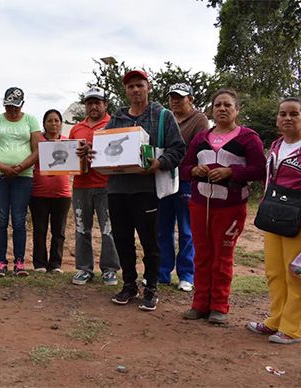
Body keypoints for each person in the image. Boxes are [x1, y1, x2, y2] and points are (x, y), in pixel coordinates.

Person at [180, 88, 266, 323]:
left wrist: (232, 171)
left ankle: (219, 305)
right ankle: (199, 304)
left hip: (230, 208)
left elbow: (260, 170)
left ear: (237, 110)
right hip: (199, 205)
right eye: (218, 105)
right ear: (211, 109)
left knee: (223, 256)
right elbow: (184, 168)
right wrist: (195, 170)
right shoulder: (200, 138)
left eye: (227, 105)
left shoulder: (248, 137)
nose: (222, 109)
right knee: (202, 255)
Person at [106, 70, 186, 311]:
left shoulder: (163, 116)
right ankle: (129, 284)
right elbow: (103, 146)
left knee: (150, 240)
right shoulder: (117, 118)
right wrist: (89, 152)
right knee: (121, 239)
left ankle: (151, 286)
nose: (135, 90)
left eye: (140, 85)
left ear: (148, 87)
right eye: (130, 86)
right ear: (126, 91)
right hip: (117, 188)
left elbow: (178, 149)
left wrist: (159, 163)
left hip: (147, 189)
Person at [247, 97, 301, 344]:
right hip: (275, 218)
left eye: (294, 114)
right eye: (283, 114)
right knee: (275, 273)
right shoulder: (276, 146)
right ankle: (275, 321)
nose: (287, 118)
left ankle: (293, 328)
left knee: (296, 275)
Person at [0, 87, 41, 277]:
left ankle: (19, 262)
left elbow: (37, 150)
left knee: (18, 219)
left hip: (23, 176)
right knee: (0, 218)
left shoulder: (31, 120)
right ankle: (1, 262)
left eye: (15, 107)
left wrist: (20, 167)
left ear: (22, 104)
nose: (12, 110)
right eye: (8, 106)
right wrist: (3, 167)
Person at [158, 83, 210, 291]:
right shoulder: (166, 118)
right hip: (164, 176)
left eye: (180, 97)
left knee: (187, 229)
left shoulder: (199, 119)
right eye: (172, 97)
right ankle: (162, 273)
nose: (175, 101)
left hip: (187, 179)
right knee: (163, 227)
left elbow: (198, 148)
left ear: (191, 99)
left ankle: (187, 274)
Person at [70, 87, 120, 285]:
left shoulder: (113, 123)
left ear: (105, 104)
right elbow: (68, 154)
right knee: (82, 228)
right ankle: (84, 268)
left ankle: (109, 269)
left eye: (97, 102)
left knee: (109, 228)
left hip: (107, 184)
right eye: (89, 102)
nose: (93, 106)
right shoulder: (76, 128)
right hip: (81, 184)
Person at [30, 109, 72, 274]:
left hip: (62, 194)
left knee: (58, 231)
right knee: (39, 230)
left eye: (56, 120)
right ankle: (39, 264)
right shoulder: (37, 142)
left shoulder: (68, 142)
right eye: (49, 121)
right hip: (38, 193)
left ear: (61, 123)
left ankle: (55, 264)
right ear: (44, 124)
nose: (53, 124)